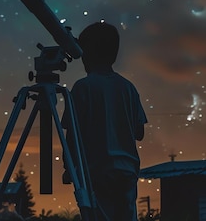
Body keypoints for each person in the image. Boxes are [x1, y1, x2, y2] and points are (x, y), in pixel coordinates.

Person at [62, 21, 147, 221]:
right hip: (127, 171)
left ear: (88, 53)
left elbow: (73, 134)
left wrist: (69, 169)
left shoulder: (83, 87)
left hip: (97, 171)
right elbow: (139, 132)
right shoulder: (128, 87)